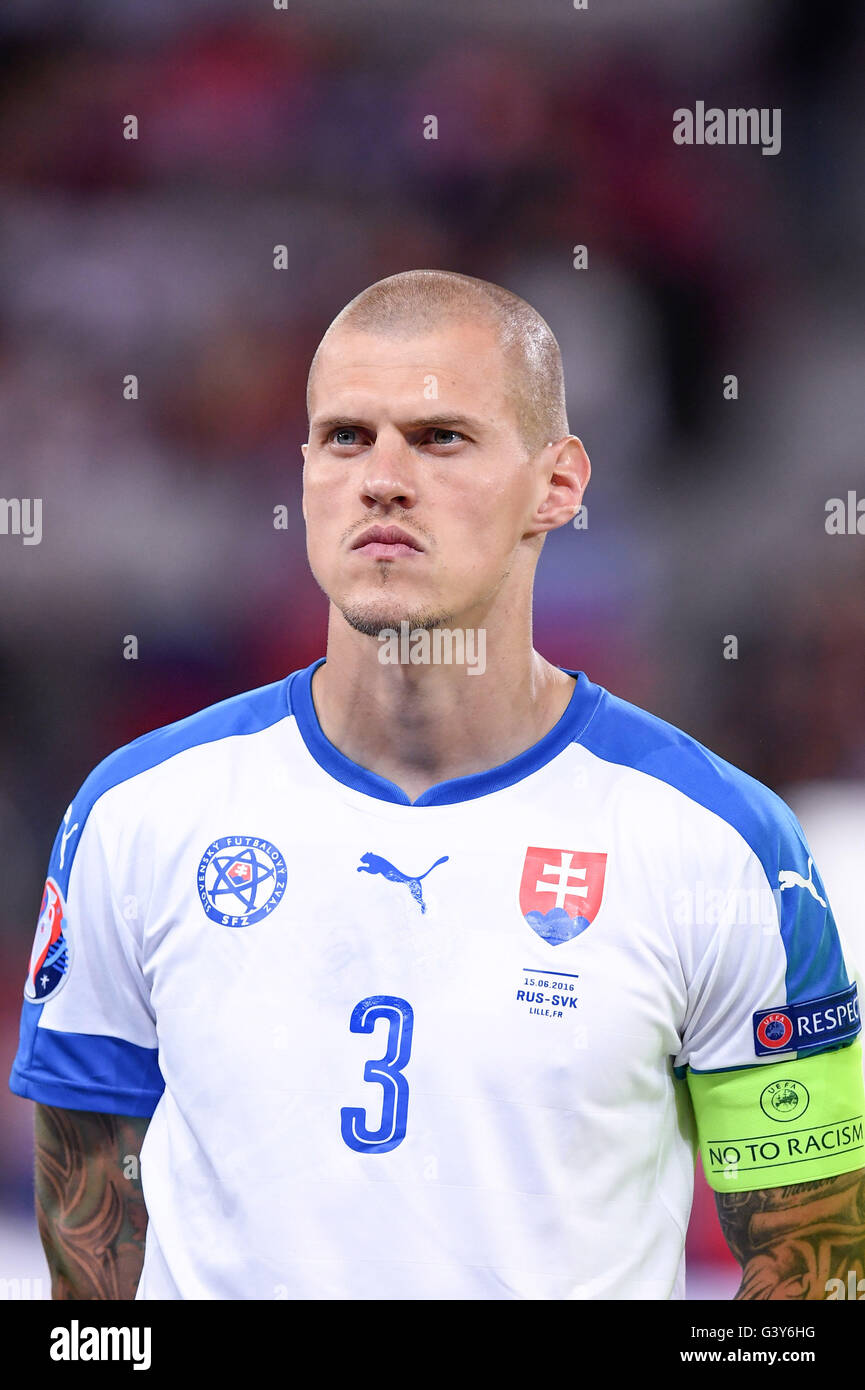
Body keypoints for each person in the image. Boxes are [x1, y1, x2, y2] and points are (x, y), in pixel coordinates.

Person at [9, 270, 864, 1300]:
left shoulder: (719, 845)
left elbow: (814, 1266)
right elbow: (88, 1264)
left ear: (558, 484)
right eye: (344, 438)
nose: (381, 478)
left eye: (440, 437)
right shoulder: (138, 816)